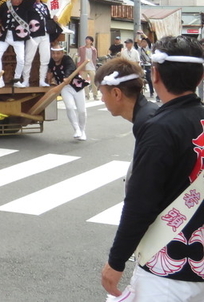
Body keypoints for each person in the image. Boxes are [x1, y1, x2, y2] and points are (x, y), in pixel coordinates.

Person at [101, 36, 204, 299]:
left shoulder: (160, 128)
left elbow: (140, 203)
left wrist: (116, 261)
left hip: (167, 267)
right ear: (200, 78)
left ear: (155, 74)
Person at [94, 57, 157, 136]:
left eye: (102, 93)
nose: (102, 99)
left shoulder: (148, 125)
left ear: (116, 94)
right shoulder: (149, 115)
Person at [47, 45, 89, 140]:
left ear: (62, 53)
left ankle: (83, 131)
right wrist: (49, 76)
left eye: (58, 53)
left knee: (81, 110)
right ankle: (77, 129)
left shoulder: (67, 59)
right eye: (53, 53)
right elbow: (50, 70)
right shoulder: (51, 61)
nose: (55, 56)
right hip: (64, 87)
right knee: (69, 107)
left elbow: (70, 67)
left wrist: (67, 76)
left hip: (76, 85)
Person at [0, 0, 32, 88]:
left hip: (18, 36)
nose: (17, 0)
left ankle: (16, 79)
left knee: (21, 60)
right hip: (5, 35)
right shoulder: (5, 5)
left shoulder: (25, 5)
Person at [20, 0, 52, 87]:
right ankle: (25, 80)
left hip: (45, 35)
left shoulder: (45, 6)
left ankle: (42, 80)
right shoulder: (27, 4)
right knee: (28, 58)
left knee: (45, 58)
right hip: (32, 35)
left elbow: (48, 19)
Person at [78, 35, 99, 101]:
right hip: (83, 66)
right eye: (86, 39)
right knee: (84, 81)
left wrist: (95, 65)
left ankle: (95, 95)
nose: (87, 40)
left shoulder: (94, 49)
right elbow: (79, 57)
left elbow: (95, 58)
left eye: (88, 39)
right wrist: (79, 66)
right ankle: (86, 94)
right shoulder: (81, 48)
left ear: (91, 42)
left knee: (93, 81)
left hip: (91, 66)